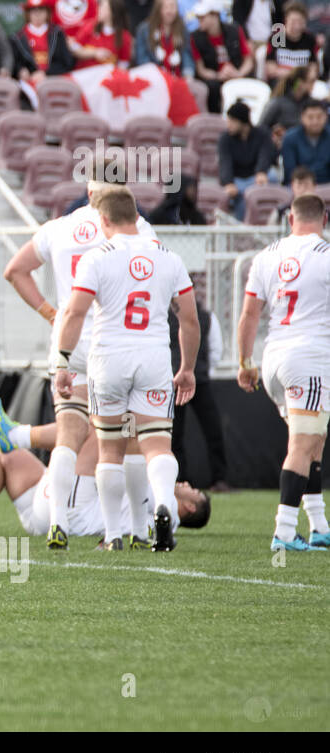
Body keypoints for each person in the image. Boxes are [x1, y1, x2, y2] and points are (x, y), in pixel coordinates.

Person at [3, 178, 157, 550]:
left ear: (88, 192)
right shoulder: (138, 227)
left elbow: (14, 271)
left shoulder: (59, 228)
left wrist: (50, 313)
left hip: (70, 342)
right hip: (116, 342)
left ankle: (58, 521)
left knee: (69, 436)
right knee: (120, 439)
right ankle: (126, 528)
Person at [55, 186, 198, 552]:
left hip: (109, 359)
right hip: (153, 357)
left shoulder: (97, 258)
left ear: (103, 220)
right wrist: (187, 369)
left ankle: (115, 535)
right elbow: (190, 321)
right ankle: (162, 506)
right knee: (155, 445)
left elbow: (74, 313)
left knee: (110, 450)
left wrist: (62, 362)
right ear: (138, 217)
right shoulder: (169, 257)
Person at [0, 410, 210, 539]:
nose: (186, 484)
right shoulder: (156, 487)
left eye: (192, 491)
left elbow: (146, 532)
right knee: (2, 455)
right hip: (43, 511)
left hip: (73, 515)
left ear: (189, 507)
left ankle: (18, 434)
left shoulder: (167, 516)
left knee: (95, 428)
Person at [237, 193, 330, 551]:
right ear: (323, 219)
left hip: (274, 357)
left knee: (313, 442)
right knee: (303, 445)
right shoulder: (325, 257)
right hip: (309, 358)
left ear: (290, 219)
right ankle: (284, 531)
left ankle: (319, 524)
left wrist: (245, 362)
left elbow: (249, 315)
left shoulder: (267, 255)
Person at [169, 289, 227, 492]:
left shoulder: (205, 317)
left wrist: (200, 372)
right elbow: (215, 350)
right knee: (175, 435)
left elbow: (215, 349)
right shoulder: (202, 316)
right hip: (181, 380)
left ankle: (218, 479)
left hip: (195, 380)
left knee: (212, 430)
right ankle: (181, 480)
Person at [190, 0, 253, 112]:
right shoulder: (195, 37)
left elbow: (248, 60)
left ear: (215, 16)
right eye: (198, 17)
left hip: (235, 72)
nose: (199, 20)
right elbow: (201, 69)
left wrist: (239, 73)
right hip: (214, 77)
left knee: (250, 81)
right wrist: (218, 75)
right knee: (211, 87)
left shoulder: (234, 30)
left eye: (203, 17)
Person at [218, 101, 274, 217]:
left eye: (232, 121)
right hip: (237, 179)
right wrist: (228, 182)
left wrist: (261, 171)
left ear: (243, 122)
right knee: (235, 193)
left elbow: (265, 154)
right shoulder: (225, 138)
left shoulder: (262, 134)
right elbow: (225, 162)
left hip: (255, 177)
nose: (229, 125)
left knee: (272, 177)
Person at [12, 0, 74, 80]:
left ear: (47, 12)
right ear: (27, 14)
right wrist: (20, 70)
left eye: (41, 10)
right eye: (33, 10)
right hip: (29, 81)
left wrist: (46, 73)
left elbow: (67, 62)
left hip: (54, 79)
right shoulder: (18, 37)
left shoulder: (57, 34)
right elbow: (15, 62)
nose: (37, 14)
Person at [133, 0, 194, 76]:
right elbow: (142, 59)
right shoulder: (144, 29)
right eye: (165, 7)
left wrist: (188, 74)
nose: (169, 11)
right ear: (158, 9)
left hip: (177, 78)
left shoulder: (182, 29)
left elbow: (186, 55)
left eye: (172, 7)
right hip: (153, 77)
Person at [71, 0, 134, 68]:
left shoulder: (124, 36)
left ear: (113, 13)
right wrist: (94, 53)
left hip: (107, 75)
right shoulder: (90, 25)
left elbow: (123, 63)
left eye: (103, 7)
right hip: (84, 72)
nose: (98, 9)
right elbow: (75, 49)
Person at [261, 64, 315, 147]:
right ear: (300, 82)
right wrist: (273, 134)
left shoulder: (311, 103)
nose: (314, 84)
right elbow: (261, 127)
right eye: (311, 81)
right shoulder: (277, 102)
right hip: (282, 145)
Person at [264, 0, 317, 85]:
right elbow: (271, 68)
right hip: (281, 81)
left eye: (300, 22)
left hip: (302, 83)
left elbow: (313, 66)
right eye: (293, 21)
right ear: (286, 19)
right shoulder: (278, 36)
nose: (296, 26)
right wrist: (293, 74)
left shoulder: (309, 39)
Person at [281, 99, 330, 183]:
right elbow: (290, 171)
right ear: (302, 117)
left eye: (319, 117)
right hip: (299, 185)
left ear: (326, 116)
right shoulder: (290, 138)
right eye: (310, 117)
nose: (315, 122)